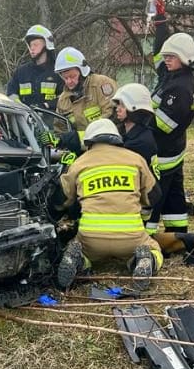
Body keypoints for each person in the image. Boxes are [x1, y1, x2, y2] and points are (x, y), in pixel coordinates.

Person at [56, 118, 164, 289]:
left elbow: (62, 200)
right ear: (117, 139)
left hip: (91, 239)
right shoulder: (135, 159)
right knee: (153, 248)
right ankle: (145, 260)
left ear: (89, 142)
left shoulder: (79, 163)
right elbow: (154, 196)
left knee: (77, 247)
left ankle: (78, 260)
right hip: (131, 237)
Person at [112, 83, 194, 265]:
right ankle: (182, 240)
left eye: (121, 105)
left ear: (134, 109)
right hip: (139, 201)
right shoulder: (134, 134)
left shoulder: (139, 142)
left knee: (135, 244)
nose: (117, 109)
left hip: (140, 205)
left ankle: (184, 242)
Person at [144, 0, 194, 237]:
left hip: (166, 150)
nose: (166, 60)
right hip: (171, 149)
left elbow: (164, 125)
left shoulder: (181, 87)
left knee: (156, 193)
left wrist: (136, 118)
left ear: (184, 58)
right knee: (175, 195)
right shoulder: (171, 74)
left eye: (171, 57)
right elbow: (158, 52)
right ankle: (179, 236)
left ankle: (147, 237)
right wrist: (159, 22)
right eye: (167, 57)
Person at [38, 47, 115, 153]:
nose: (69, 81)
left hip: (107, 148)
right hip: (82, 152)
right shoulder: (63, 100)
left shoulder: (101, 85)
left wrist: (76, 139)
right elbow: (60, 131)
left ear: (82, 71)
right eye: (65, 78)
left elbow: (112, 119)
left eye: (73, 76)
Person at [6, 25, 63, 109]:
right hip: (24, 119)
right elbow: (11, 93)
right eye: (30, 45)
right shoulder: (21, 72)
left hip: (51, 119)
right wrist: (20, 106)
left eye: (35, 45)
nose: (32, 48)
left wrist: (46, 105)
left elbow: (65, 98)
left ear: (47, 45)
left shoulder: (58, 72)